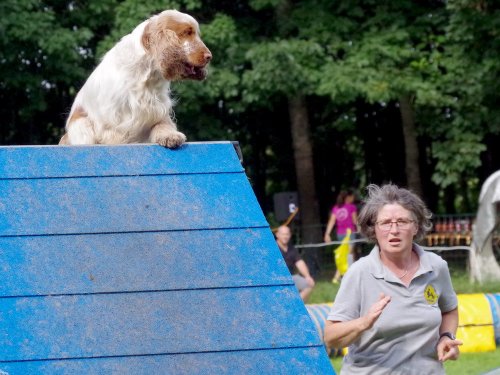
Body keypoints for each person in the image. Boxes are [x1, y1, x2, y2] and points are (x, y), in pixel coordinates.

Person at [324, 184, 462, 374]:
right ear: (374, 229)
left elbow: (449, 309)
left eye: (402, 221)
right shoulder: (359, 272)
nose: (394, 230)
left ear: (416, 226)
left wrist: (446, 336)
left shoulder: (435, 267)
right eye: (386, 222)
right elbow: (330, 337)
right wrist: (364, 323)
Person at [324, 190, 358, 283]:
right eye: (352, 197)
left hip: (340, 234)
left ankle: (350, 275)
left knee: (347, 255)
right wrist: (361, 229)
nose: (354, 199)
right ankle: (337, 277)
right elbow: (355, 221)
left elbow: (331, 221)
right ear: (348, 197)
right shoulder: (352, 207)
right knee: (348, 255)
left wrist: (327, 233)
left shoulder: (336, 208)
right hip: (350, 233)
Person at [275, 225, 315, 302]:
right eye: (283, 234)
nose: (285, 236)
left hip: (291, 277)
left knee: (309, 284)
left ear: (290, 235)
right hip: (276, 278)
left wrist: (307, 276)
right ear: (277, 235)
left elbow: (299, 262)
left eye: (287, 234)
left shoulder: (292, 248)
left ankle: (295, 303)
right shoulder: (272, 248)